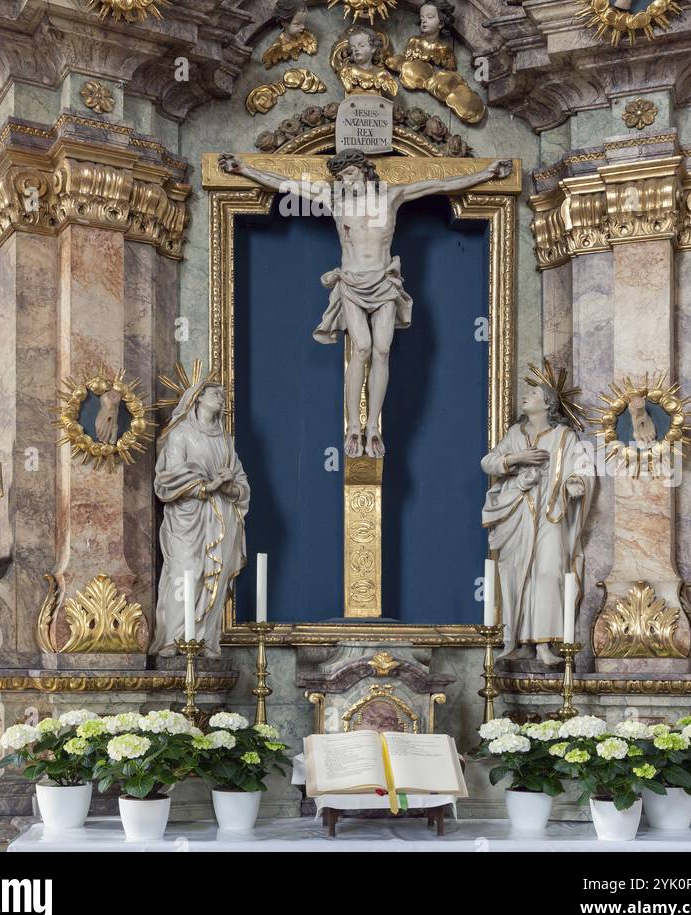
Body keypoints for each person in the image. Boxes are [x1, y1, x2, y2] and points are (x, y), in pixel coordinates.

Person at [220, 150, 510, 460]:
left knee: (381, 350)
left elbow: (439, 185)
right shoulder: (335, 199)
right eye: (342, 176)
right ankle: (353, 426)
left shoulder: (391, 196)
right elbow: (286, 183)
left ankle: (373, 426)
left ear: (364, 171)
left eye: (351, 174)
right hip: (351, 283)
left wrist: (487, 174)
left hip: (385, 283)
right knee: (361, 348)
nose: (347, 180)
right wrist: (244, 169)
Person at [481, 378, 595, 665]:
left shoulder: (564, 436)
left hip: (551, 510)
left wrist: (576, 483)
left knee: (548, 571)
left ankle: (545, 644)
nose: (526, 396)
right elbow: (488, 462)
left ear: (547, 404)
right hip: (518, 510)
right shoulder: (515, 434)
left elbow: (580, 466)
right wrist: (517, 459)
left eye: (533, 393)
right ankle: (518, 640)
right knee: (517, 574)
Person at [149, 373, 250, 657]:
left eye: (222, 395)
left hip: (221, 518)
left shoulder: (225, 440)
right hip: (187, 517)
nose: (222, 399)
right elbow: (166, 480)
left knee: (212, 578)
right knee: (185, 573)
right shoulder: (181, 435)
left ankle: (204, 638)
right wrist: (208, 485)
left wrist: (229, 486)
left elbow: (242, 485)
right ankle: (173, 638)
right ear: (198, 398)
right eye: (215, 394)